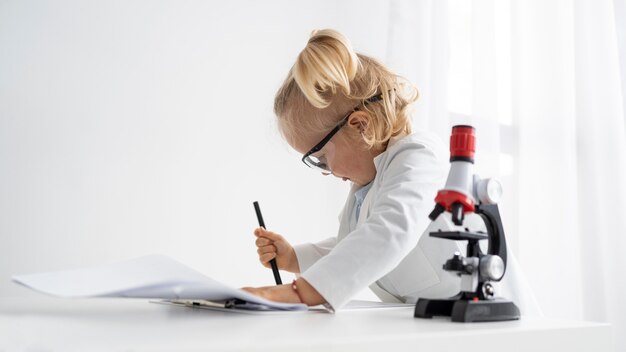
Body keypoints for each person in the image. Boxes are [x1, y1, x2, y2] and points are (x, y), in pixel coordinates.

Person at [242, 29, 466, 311]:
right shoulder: (366, 187)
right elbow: (351, 244)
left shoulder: (419, 157)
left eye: (321, 157)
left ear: (361, 125)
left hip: (490, 326)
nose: (325, 171)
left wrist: (302, 292)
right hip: (434, 322)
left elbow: (388, 231)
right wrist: (295, 258)